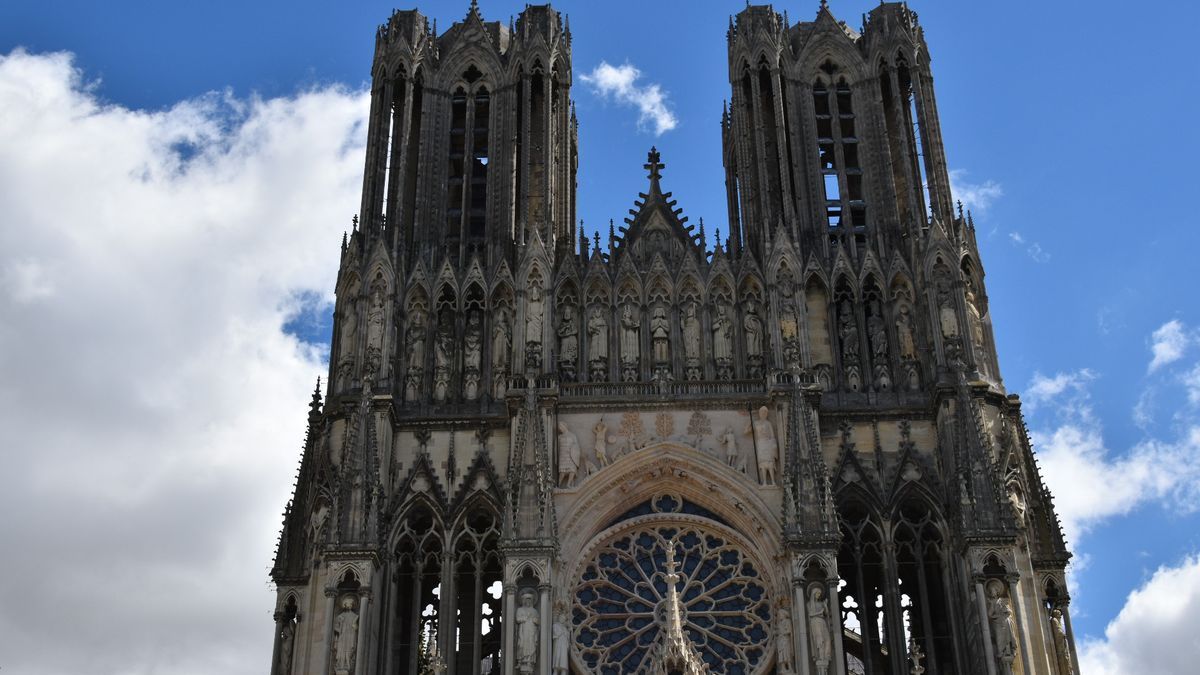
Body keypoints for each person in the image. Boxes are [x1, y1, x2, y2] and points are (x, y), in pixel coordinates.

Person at [516, 592, 539, 673]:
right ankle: (521, 661)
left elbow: (537, 621)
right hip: (523, 631)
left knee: (531, 645)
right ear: (523, 601)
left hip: (532, 631)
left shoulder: (534, 611)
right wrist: (526, 617)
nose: (528, 602)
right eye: (526, 600)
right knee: (521, 644)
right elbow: (518, 619)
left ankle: (530, 661)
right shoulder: (520, 610)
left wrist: (534, 620)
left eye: (530, 600)